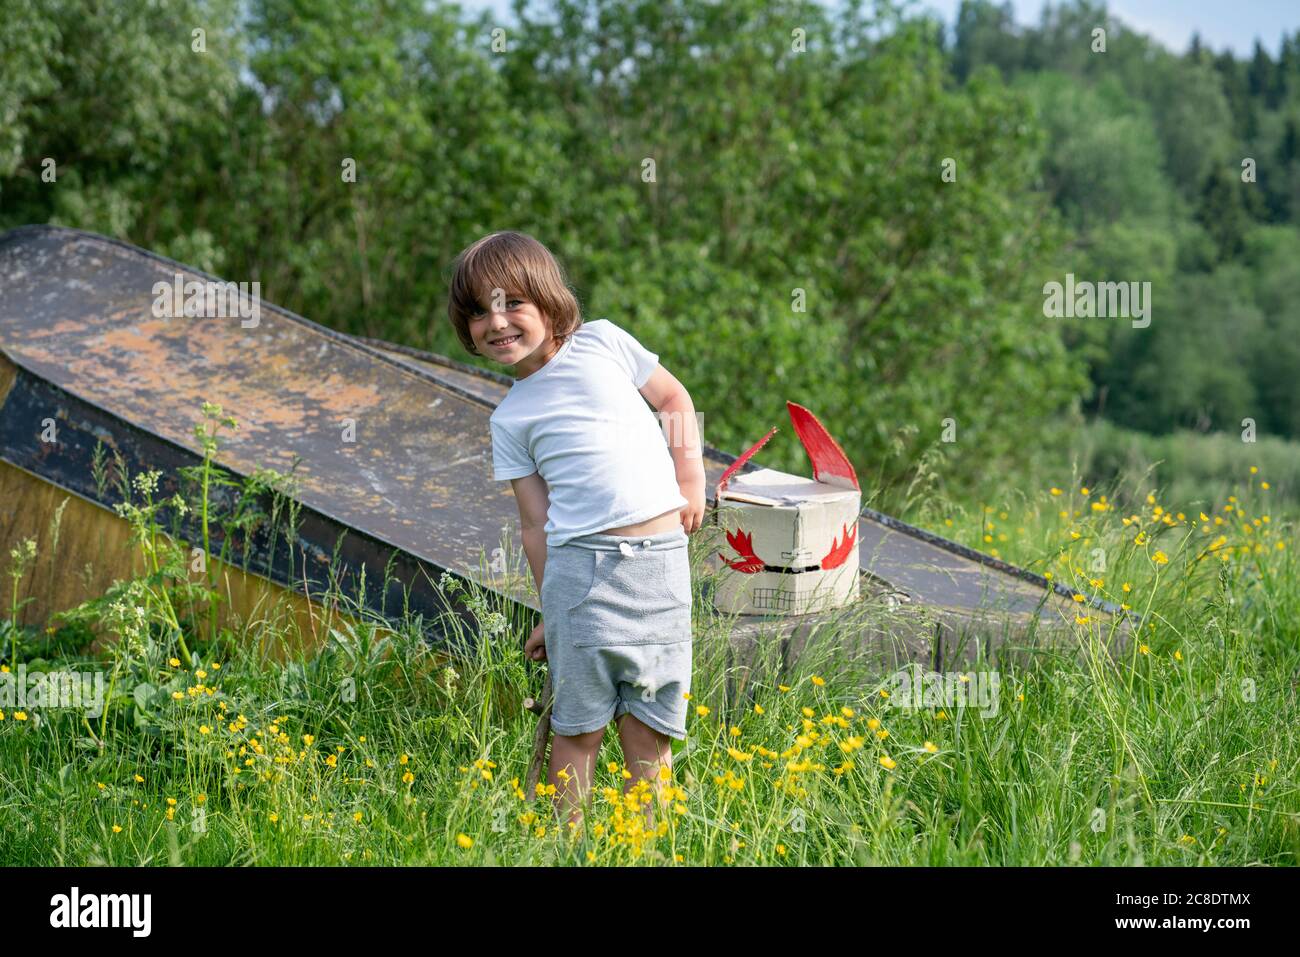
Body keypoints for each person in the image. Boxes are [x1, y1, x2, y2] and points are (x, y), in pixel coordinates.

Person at [446, 231, 708, 830]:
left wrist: (690, 479)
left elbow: (673, 399)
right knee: (580, 726)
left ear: (549, 301)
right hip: (579, 573)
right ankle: (573, 845)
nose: (498, 322)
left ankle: (646, 843)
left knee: (650, 727)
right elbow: (535, 523)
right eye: (479, 313)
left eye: (513, 303)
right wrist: (550, 610)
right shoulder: (510, 417)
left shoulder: (604, 343)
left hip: (660, 563)